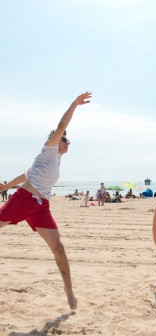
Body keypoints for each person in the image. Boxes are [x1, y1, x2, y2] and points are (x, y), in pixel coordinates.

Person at [0, 91, 91, 309]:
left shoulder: (54, 160)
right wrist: (74, 104)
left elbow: (27, 174)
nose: (68, 143)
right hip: (23, 200)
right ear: (58, 141)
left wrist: (6, 186)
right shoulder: (49, 149)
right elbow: (60, 127)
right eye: (66, 140)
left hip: (41, 208)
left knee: (58, 248)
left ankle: (68, 290)